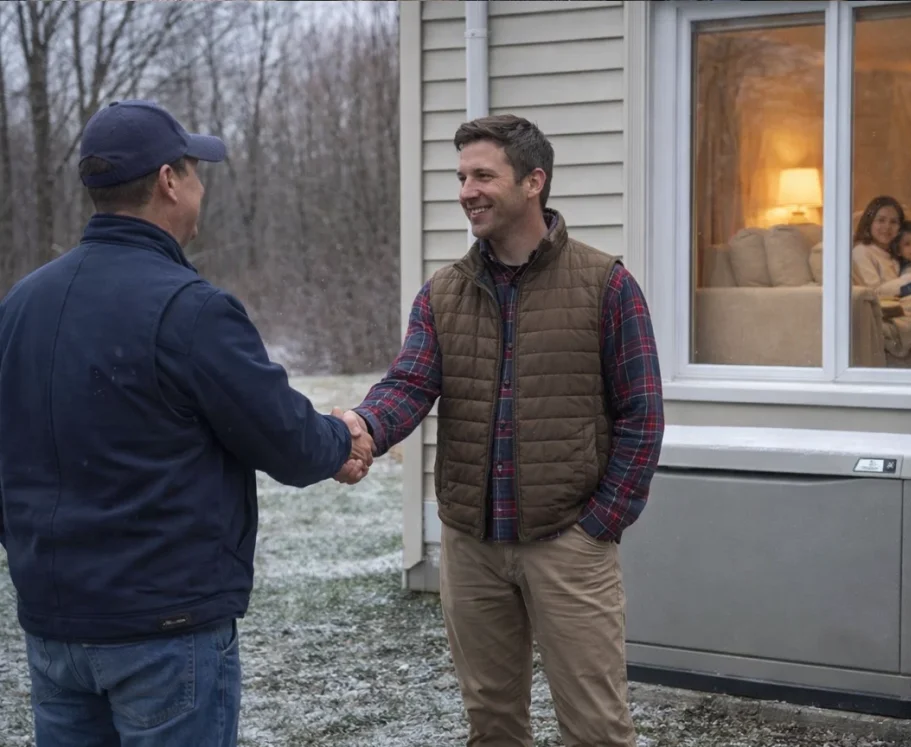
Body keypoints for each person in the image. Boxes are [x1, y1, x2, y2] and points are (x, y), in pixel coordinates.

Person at [0, 99, 373, 747]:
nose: (202, 187)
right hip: (164, 633)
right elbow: (286, 439)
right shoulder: (189, 309)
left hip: (55, 627)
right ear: (170, 181)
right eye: (196, 171)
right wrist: (343, 437)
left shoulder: (21, 305)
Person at [336, 114, 665, 746]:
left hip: (569, 544)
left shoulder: (607, 284)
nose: (467, 191)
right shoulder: (443, 292)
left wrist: (599, 525)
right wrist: (364, 427)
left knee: (596, 727)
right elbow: (409, 384)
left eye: (483, 175)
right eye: (461, 177)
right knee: (491, 725)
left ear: (533, 181)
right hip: (472, 546)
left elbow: (641, 416)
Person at [851, 195, 907, 296]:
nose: (887, 227)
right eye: (881, 220)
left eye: (894, 222)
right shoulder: (862, 251)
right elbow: (874, 292)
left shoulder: (897, 252)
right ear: (869, 223)